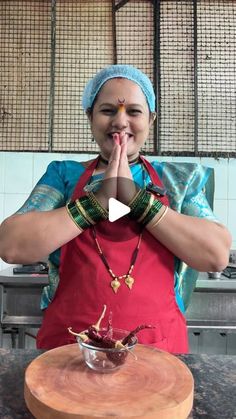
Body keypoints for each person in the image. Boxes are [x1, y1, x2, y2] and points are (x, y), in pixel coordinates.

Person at [0, 65, 231, 353]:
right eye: (108, 110)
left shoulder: (178, 180)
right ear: (90, 117)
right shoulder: (63, 176)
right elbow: (11, 245)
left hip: (158, 354)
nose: (120, 122)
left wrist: (137, 200)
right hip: (71, 352)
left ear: (151, 119)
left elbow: (216, 256)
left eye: (133, 111)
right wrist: (96, 203)